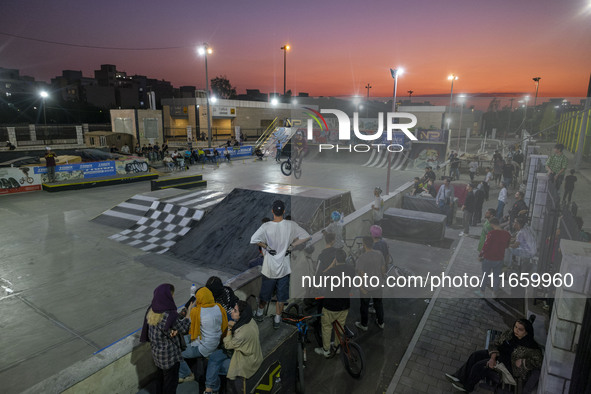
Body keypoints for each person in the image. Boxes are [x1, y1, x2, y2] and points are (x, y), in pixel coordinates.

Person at [250, 200, 311, 329]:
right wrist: (291, 245)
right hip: (284, 268)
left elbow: (253, 239)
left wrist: (266, 246)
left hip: (270, 269)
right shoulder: (291, 225)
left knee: (265, 294)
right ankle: (278, 319)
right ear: (284, 211)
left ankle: (260, 313)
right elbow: (306, 236)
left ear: (272, 211)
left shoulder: (266, 226)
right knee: (281, 296)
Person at [445, 318, 543, 393]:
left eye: (520, 329)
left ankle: (467, 388)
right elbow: (495, 343)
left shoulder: (531, 347)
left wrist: (524, 362)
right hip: (499, 356)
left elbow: (539, 361)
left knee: (480, 366)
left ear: (526, 332)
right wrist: (492, 357)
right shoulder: (510, 334)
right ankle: (459, 378)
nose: (516, 330)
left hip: (509, 369)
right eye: (515, 327)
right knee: (475, 355)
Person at [140, 284, 191, 394]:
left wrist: (171, 331)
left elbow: (159, 330)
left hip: (157, 355)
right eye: (171, 295)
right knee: (170, 384)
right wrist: (189, 313)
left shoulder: (151, 309)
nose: (172, 298)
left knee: (160, 380)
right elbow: (184, 328)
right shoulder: (169, 315)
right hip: (169, 358)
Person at [204, 301, 263, 394]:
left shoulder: (242, 333)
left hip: (245, 359)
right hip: (241, 351)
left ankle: (212, 389)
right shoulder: (249, 320)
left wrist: (229, 328)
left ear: (241, 314)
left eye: (235, 311)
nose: (231, 312)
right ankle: (210, 389)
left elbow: (227, 345)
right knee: (213, 357)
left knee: (217, 367)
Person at [178, 287, 228, 382]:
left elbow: (187, 325)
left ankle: (186, 374)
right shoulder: (219, 307)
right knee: (182, 340)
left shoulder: (197, 311)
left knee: (176, 352)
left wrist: (189, 309)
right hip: (215, 342)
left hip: (204, 347)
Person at [314, 249, 356, 358]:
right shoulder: (351, 269)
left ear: (335, 259)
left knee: (327, 327)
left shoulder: (331, 272)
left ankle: (326, 350)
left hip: (330, 306)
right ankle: (337, 347)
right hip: (345, 304)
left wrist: (331, 266)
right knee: (339, 326)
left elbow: (318, 280)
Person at [355, 236, 386, 330]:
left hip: (366, 287)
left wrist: (361, 287)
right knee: (379, 304)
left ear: (364, 245)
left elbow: (361, 274)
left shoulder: (362, 258)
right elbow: (383, 268)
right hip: (378, 285)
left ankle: (364, 325)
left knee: (364, 306)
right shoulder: (379, 254)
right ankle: (381, 323)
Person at [477, 218, 511, 297]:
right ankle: (495, 293)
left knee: (485, 275)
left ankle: (482, 291)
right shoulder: (507, 234)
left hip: (488, 258)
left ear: (492, 224)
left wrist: (480, 255)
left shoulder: (491, 233)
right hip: (499, 258)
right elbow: (507, 246)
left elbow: (486, 246)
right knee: (497, 276)